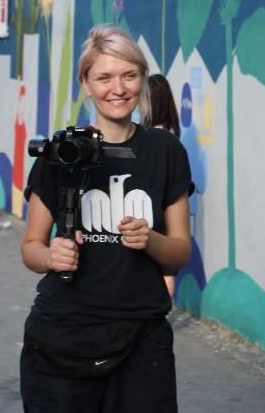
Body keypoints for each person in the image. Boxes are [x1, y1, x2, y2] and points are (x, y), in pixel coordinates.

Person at [20, 26, 193, 413]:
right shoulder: (61, 151)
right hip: (63, 336)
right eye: (104, 77)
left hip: (143, 339)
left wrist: (150, 239)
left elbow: (180, 253)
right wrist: (50, 257)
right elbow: (30, 246)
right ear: (85, 82)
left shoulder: (165, 150)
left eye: (129, 76)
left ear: (142, 79)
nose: (118, 88)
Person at [147, 73, 181, 297]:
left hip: (157, 203)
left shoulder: (156, 134)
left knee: (164, 269)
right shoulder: (171, 130)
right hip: (164, 202)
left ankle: (162, 312)